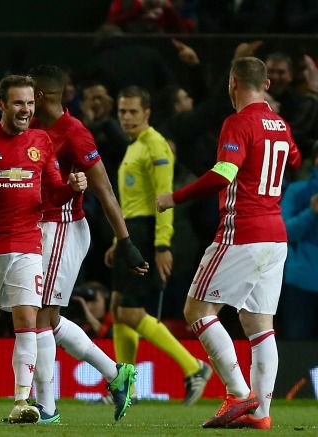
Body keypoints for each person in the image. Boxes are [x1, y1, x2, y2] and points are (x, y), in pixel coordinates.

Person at [157, 56, 302, 430]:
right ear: (267, 85)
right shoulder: (281, 125)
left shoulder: (238, 122)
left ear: (232, 84)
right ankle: (261, 414)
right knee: (259, 326)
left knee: (196, 310)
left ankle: (239, 394)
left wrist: (175, 197)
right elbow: (295, 160)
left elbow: (224, 173)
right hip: (276, 236)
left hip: (244, 232)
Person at [0, 74, 87, 424]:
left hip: (27, 244)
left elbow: (53, 192)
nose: (26, 110)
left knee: (27, 320)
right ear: (2, 105)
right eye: (19, 103)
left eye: (30, 103)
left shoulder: (41, 140)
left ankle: (21, 401)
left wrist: (73, 187)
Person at [29, 65, 145, 423]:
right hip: (35, 227)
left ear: (43, 96)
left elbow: (104, 189)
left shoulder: (75, 133)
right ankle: (115, 373)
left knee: (39, 317)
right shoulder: (30, 129)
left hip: (63, 226)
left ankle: (46, 408)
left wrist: (125, 241)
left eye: (29, 95)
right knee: (44, 317)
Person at [110, 85, 212, 406]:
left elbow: (163, 198)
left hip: (146, 230)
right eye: (122, 112)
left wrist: (162, 244)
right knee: (118, 309)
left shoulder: (155, 145)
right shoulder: (135, 145)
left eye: (132, 112)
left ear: (147, 113)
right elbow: (131, 200)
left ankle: (193, 367)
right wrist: (119, 240)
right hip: (131, 231)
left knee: (130, 311)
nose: (126, 117)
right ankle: (126, 388)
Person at [278, 141, 318, 340]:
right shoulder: (297, 191)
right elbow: (283, 232)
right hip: (300, 285)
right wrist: (311, 213)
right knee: (297, 353)